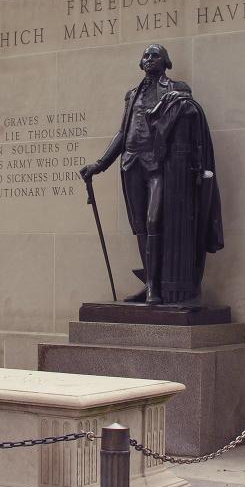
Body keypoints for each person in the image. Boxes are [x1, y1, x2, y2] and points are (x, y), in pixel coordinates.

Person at [80, 44, 223, 305]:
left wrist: (180, 104)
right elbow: (123, 134)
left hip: (160, 165)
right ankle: (149, 283)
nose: (149, 59)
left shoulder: (177, 89)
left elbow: (191, 115)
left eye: (154, 55)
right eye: (145, 56)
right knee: (140, 227)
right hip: (131, 163)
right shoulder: (132, 94)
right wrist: (99, 164)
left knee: (154, 221)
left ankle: (156, 288)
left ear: (166, 61)